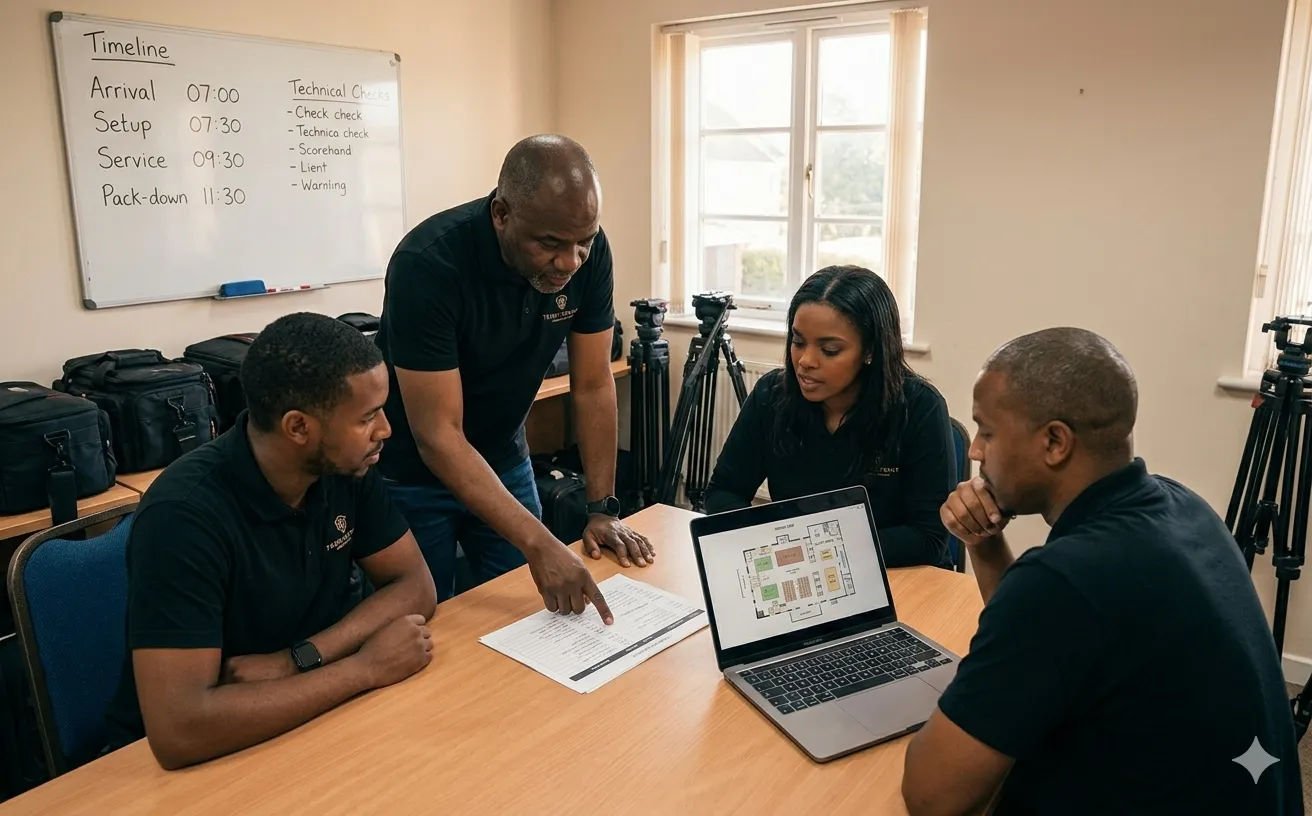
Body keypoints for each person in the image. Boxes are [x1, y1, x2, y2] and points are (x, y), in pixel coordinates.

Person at [902, 327, 1302, 815]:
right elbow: (1054, 642)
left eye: (986, 430)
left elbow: (932, 796)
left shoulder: (1065, 578)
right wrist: (984, 545)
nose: (975, 452)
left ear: (1054, 442)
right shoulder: (1183, 507)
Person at [102, 313, 438, 770]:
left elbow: (414, 585)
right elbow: (180, 730)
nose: (385, 430)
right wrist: (364, 669)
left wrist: (297, 660)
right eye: (366, 417)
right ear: (298, 428)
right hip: (197, 760)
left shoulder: (344, 466)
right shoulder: (183, 516)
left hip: (306, 713)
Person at [375, 133, 653, 621]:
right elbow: (438, 436)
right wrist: (542, 545)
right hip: (412, 476)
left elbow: (592, 385)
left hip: (503, 456)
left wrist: (602, 507)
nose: (570, 263)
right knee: (428, 629)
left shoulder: (586, 250)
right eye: (550, 244)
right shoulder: (428, 265)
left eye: (583, 244)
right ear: (501, 214)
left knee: (532, 617)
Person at [703, 265, 956, 568]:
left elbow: (928, 539)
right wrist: (772, 542)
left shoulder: (920, 408)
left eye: (830, 349)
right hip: (804, 572)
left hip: (901, 576)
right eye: (798, 342)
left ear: (870, 350)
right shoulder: (772, 395)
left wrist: (811, 548)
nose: (806, 361)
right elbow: (723, 493)